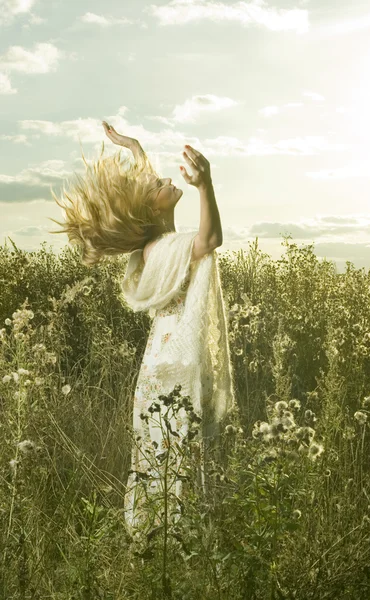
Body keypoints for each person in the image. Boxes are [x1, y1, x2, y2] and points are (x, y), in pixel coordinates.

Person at [49, 121, 236, 535]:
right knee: (179, 450)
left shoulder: (158, 242)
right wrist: (205, 185)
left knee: (161, 451)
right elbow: (213, 237)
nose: (167, 179)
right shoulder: (167, 247)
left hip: (161, 364)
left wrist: (134, 147)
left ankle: (159, 532)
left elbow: (146, 195)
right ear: (153, 208)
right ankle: (176, 537)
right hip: (175, 367)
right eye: (160, 184)